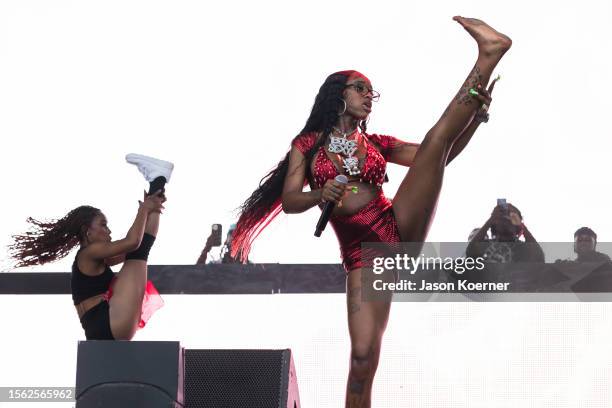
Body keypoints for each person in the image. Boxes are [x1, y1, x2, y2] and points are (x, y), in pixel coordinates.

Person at [231, 16, 511, 407]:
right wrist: (320, 193)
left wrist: (476, 122)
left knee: (434, 142)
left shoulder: (377, 143)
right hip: (366, 258)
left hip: (398, 227)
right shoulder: (308, 144)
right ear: (338, 95)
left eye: (371, 91)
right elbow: (291, 200)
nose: (368, 94)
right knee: (363, 358)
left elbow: (439, 156)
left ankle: (488, 56)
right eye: (360, 87)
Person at [9, 154, 173, 340]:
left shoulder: (94, 257)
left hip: (103, 326)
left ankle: (158, 181)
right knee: (138, 252)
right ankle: (157, 179)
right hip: (107, 322)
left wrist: (150, 207)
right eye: (103, 225)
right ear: (87, 231)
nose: (109, 231)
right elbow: (132, 242)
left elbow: (137, 244)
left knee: (139, 252)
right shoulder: (88, 253)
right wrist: (144, 209)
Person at [466, 202, 544, 263]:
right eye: (501, 217)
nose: (505, 221)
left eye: (511, 218)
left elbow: (538, 258)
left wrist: (521, 224)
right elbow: (471, 252)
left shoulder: (523, 248)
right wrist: (492, 219)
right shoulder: (486, 244)